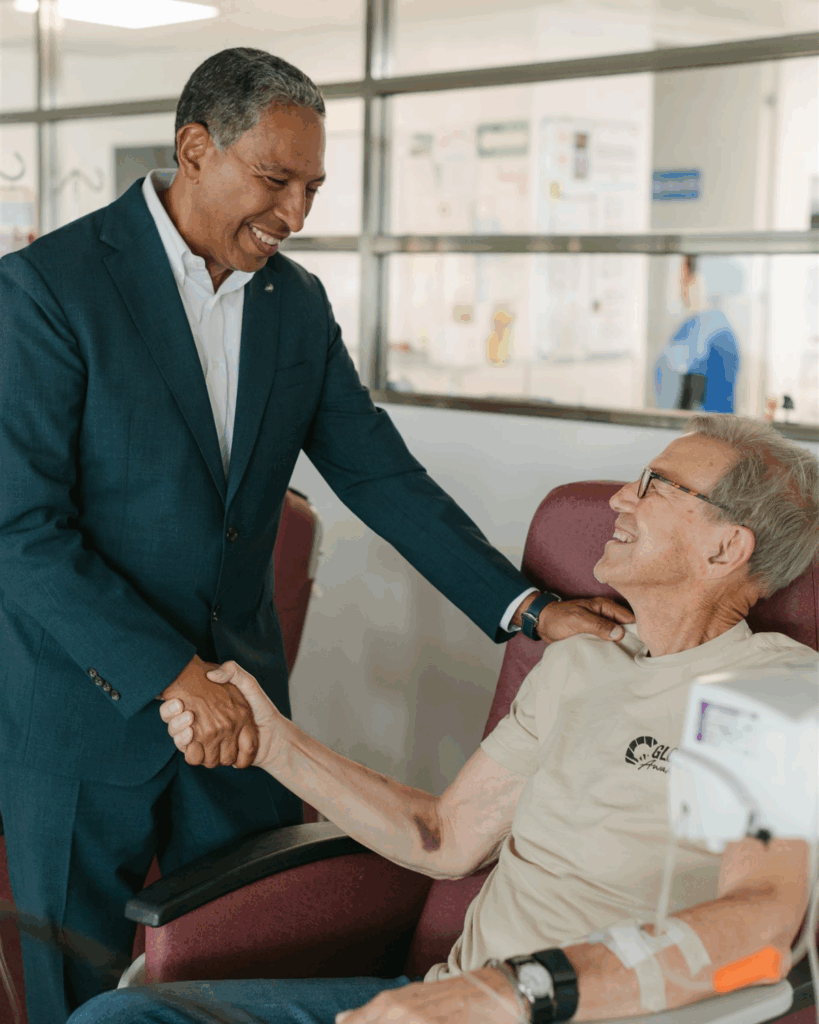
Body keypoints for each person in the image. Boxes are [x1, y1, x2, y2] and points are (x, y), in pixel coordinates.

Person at [0, 48, 633, 1024]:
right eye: (275, 179)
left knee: (254, 953)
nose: (296, 215)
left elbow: (380, 474)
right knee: (71, 985)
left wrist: (527, 608)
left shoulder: (294, 305)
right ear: (195, 148)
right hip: (81, 705)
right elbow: (21, 532)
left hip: (248, 705)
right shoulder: (46, 289)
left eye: (312, 187)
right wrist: (175, 675)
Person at [69, 414, 819, 1024]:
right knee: (122, 1020)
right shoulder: (582, 662)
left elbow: (759, 924)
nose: (622, 497)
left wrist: (514, 992)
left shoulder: (767, 693)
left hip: (557, 1011)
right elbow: (446, 838)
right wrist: (272, 742)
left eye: (656, 486)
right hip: (441, 1003)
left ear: (727, 545)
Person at [654, 255, 740, 413]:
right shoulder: (690, 328)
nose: (680, 286)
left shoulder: (719, 336)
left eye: (683, 277)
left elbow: (717, 410)